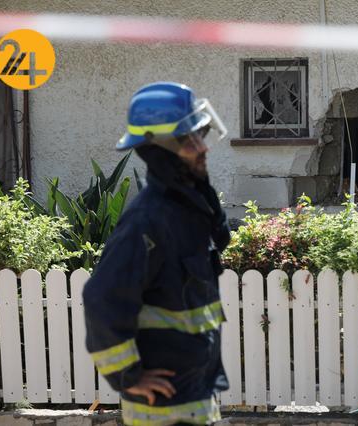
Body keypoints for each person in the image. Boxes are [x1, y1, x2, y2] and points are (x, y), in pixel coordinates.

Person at [83, 81, 231, 425]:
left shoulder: (187, 211)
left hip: (194, 394)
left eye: (200, 135)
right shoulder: (147, 222)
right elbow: (100, 299)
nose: (203, 148)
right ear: (162, 151)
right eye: (189, 140)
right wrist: (129, 377)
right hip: (163, 411)